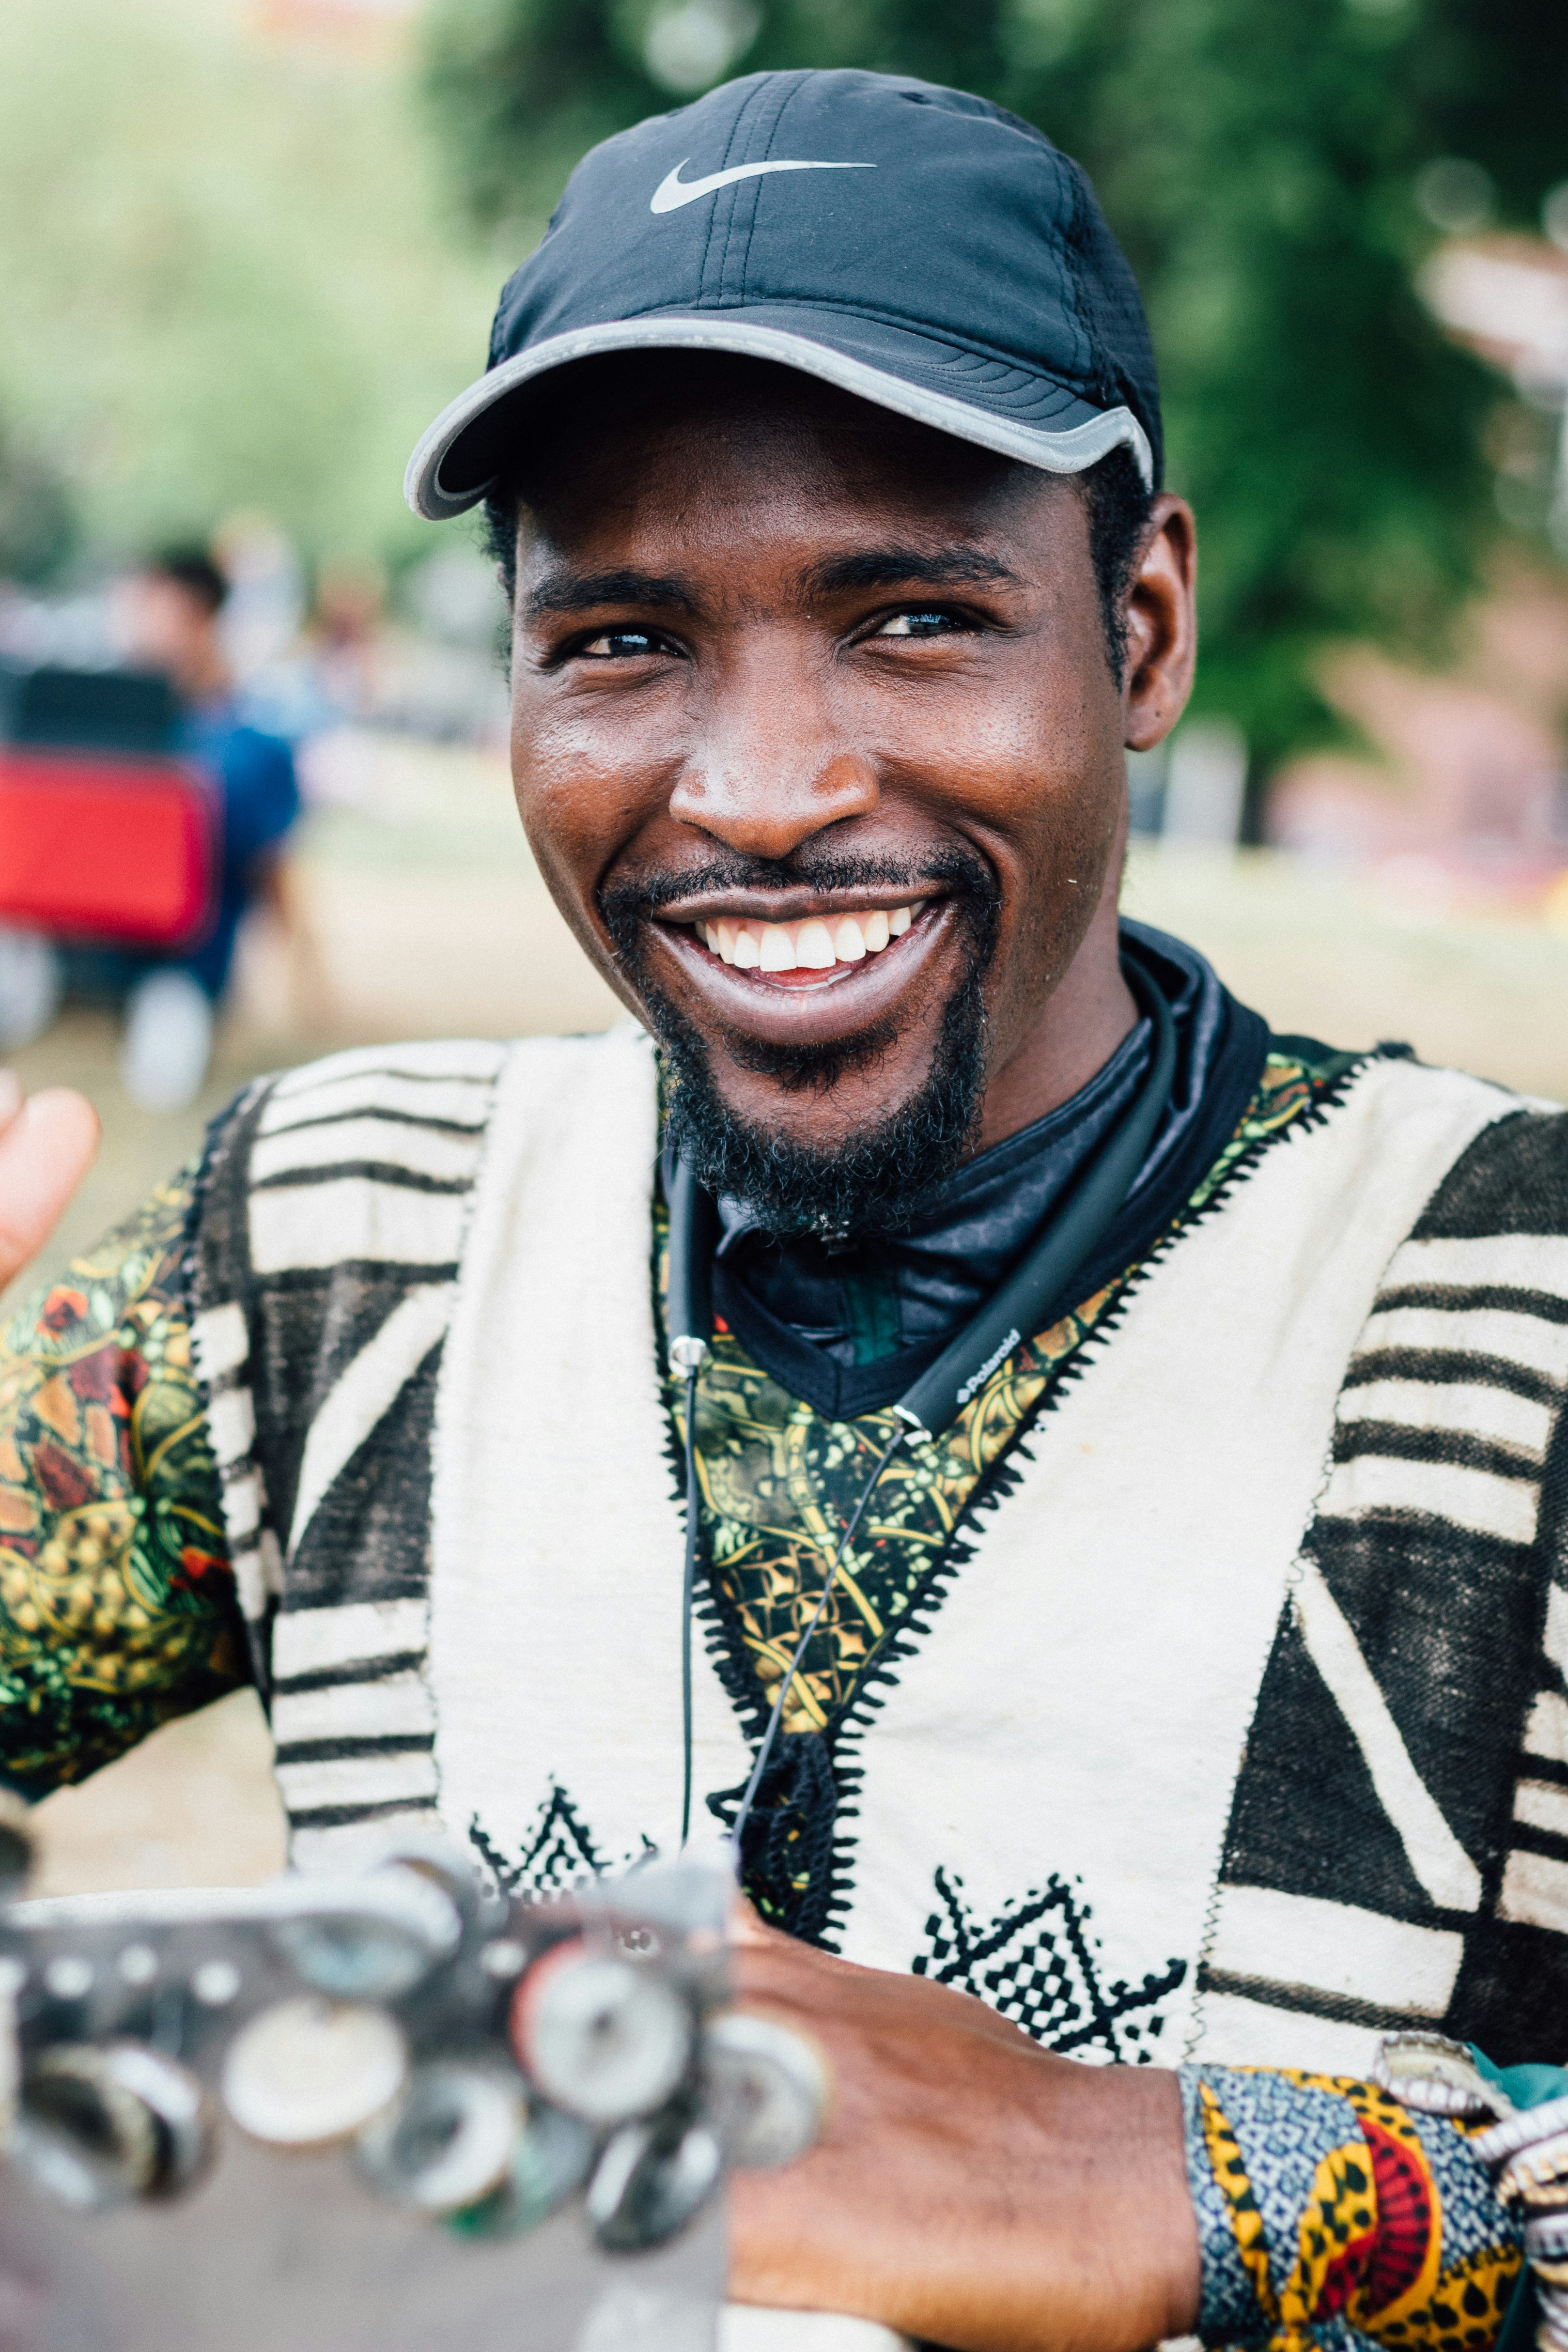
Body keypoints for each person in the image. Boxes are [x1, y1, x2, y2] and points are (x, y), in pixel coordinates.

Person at [0, 68, 1559, 2352]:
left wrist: (1175, 2174)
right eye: (622, 641)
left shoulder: (1510, 1310)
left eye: (914, 617)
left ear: (1137, 634)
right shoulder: (320, 1253)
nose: (759, 791)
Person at [106, 549, 299, 1110]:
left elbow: (273, 867)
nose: (131, 629)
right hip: (80, 951)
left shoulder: (253, 744)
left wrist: (302, 974)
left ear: (198, 614)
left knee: (163, 1071)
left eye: (148, 611)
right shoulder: (99, 728)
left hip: (180, 966)